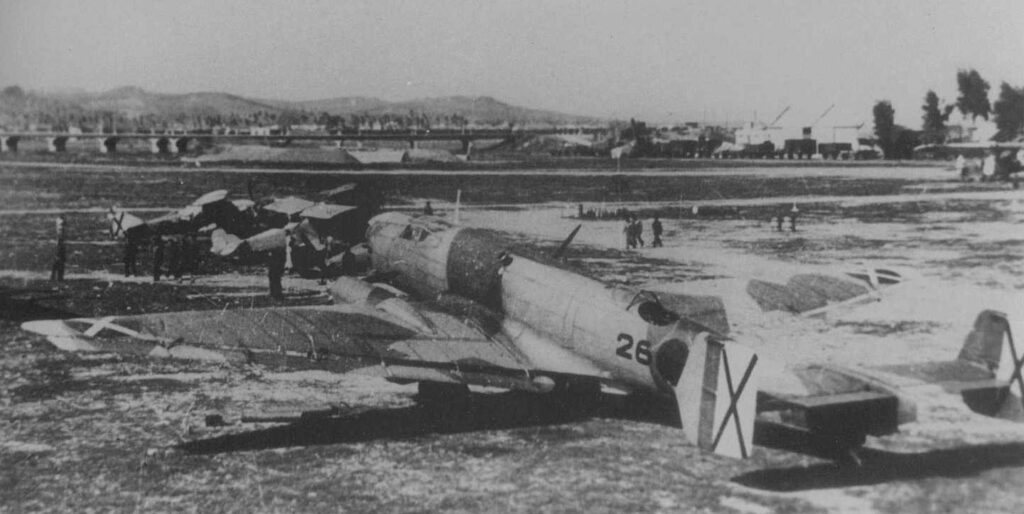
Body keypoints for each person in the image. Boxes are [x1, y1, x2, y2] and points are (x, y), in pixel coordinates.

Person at [50, 214, 67, 282]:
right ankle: (56, 277)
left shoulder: (60, 234)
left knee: (60, 260)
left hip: (60, 243)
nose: (61, 227)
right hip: (59, 243)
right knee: (58, 260)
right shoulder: (59, 236)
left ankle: (56, 277)